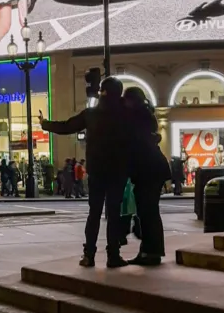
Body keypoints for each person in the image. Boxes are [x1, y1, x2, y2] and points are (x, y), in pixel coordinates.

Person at [40, 76, 132, 268]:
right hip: (118, 169)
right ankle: (113, 255)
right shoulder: (126, 113)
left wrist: (45, 123)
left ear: (103, 92)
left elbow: (67, 126)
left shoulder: (92, 114)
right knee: (114, 213)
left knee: (94, 213)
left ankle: (89, 255)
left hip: (97, 170)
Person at [123, 86, 169, 265]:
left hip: (148, 170)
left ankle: (151, 252)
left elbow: (136, 142)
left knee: (148, 212)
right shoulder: (145, 114)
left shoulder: (138, 117)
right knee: (147, 211)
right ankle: (149, 250)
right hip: (152, 169)